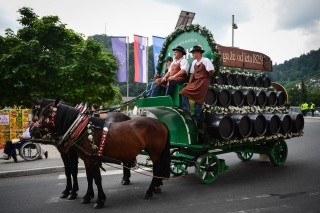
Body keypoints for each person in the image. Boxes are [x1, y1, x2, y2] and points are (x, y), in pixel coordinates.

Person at [179, 45, 215, 121]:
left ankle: (197, 116)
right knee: (183, 91)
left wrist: (207, 77)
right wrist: (189, 83)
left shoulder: (205, 60)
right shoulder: (194, 62)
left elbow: (212, 71)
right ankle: (186, 109)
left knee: (199, 98)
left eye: (193, 53)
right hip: (196, 81)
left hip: (204, 81)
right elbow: (192, 73)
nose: (192, 54)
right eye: (192, 53)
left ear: (198, 53)